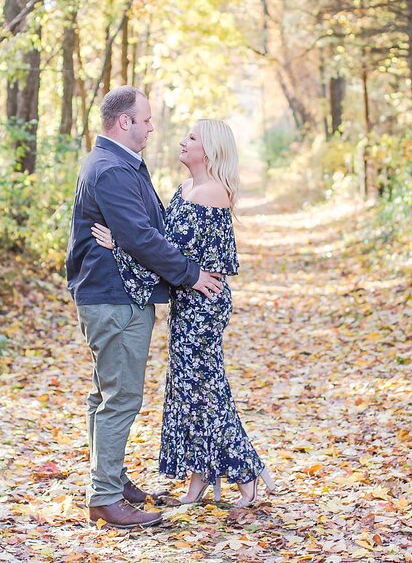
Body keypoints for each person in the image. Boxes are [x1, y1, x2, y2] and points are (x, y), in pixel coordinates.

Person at [92, 119, 276, 508]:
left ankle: (249, 474)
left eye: (191, 138)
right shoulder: (187, 188)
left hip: (204, 306)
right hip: (187, 301)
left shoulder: (211, 192)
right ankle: (199, 479)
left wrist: (120, 245)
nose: (181, 141)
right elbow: (165, 246)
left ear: (207, 149)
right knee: (187, 391)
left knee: (205, 391)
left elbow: (168, 251)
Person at [66, 86, 225, 529]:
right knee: (120, 398)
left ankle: (111, 479)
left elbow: (143, 229)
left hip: (116, 294)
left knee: (106, 395)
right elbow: (141, 236)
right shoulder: (111, 170)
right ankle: (105, 498)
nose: (153, 127)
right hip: (115, 298)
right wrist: (191, 275)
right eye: (147, 119)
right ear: (124, 123)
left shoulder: (119, 165)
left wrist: (131, 242)